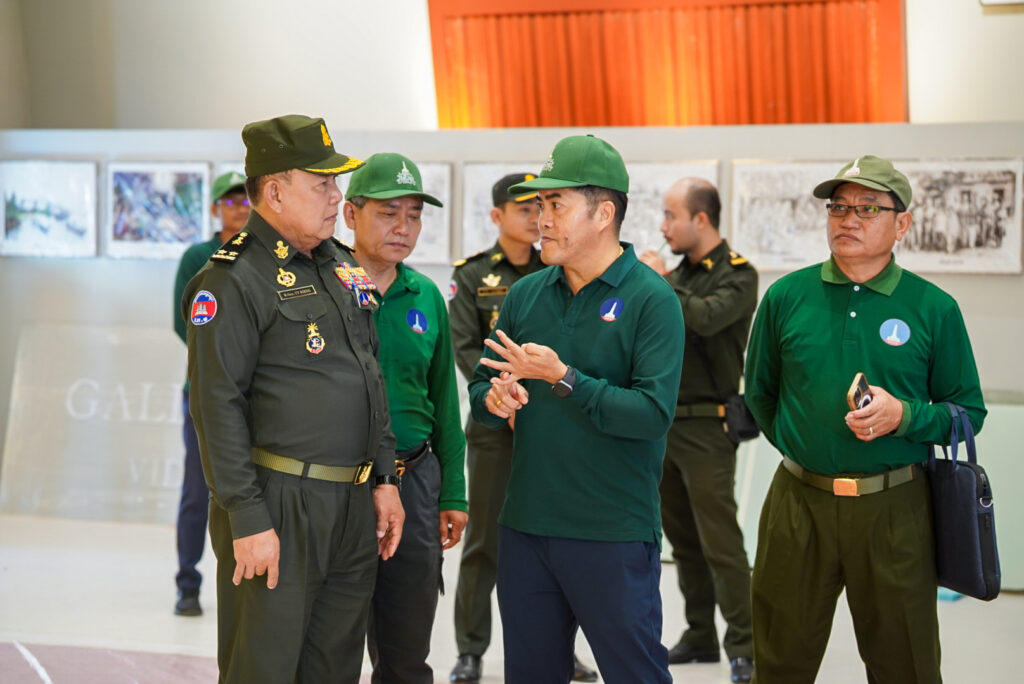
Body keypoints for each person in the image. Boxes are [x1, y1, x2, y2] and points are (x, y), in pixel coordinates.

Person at [744, 155, 987, 683]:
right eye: (838, 207)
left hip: (894, 509)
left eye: (868, 208)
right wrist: (805, 446)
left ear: (902, 224)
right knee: (779, 661)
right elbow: (761, 393)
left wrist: (905, 416)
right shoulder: (786, 296)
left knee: (905, 665)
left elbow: (968, 414)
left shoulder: (933, 307)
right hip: (798, 503)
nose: (848, 219)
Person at [183, 114, 405, 684]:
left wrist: (385, 479)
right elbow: (216, 406)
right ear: (276, 192)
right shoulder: (232, 279)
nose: (337, 196)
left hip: (352, 504)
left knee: (335, 669)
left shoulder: (340, 264)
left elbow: (370, 376)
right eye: (322, 184)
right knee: (264, 667)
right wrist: (247, 517)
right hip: (279, 503)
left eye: (336, 183)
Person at [468, 134, 684, 684]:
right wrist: (494, 399)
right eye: (539, 204)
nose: (541, 219)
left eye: (556, 205)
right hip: (526, 528)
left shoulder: (652, 299)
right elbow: (481, 391)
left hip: (612, 531)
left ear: (603, 213)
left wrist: (565, 378)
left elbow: (651, 414)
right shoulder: (525, 295)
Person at [447, 174, 598, 683]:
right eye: (525, 210)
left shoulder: (557, 267)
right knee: (484, 541)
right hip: (495, 426)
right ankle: (470, 649)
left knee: (557, 541)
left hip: (550, 424)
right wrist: (502, 394)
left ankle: (562, 649)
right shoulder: (473, 274)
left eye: (543, 208)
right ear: (497, 216)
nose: (537, 219)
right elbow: (467, 347)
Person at [341, 152, 468, 684]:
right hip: (341, 485)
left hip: (415, 481)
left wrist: (453, 493)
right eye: (388, 213)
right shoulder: (324, 288)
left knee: (408, 652)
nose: (404, 228)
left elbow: (445, 404)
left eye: (414, 216)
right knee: (330, 648)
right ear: (351, 214)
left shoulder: (426, 297)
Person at [639, 178, 757, 683]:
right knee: (683, 541)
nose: (664, 226)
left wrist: (661, 281)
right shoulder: (679, 273)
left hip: (709, 426)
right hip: (664, 424)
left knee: (720, 543)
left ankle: (746, 645)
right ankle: (700, 633)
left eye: (671, 216)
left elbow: (707, 319)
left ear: (700, 219)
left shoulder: (737, 274)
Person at [172, 171, 250, 616]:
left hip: (255, 395)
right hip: (204, 392)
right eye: (231, 200)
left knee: (249, 489)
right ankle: (187, 583)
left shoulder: (262, 253)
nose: (240, 208)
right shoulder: (197, 257)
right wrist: (228, 361)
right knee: (197, 490)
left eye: (245, 199)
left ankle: (246, 579)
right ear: (215, 207)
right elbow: (182, 322)